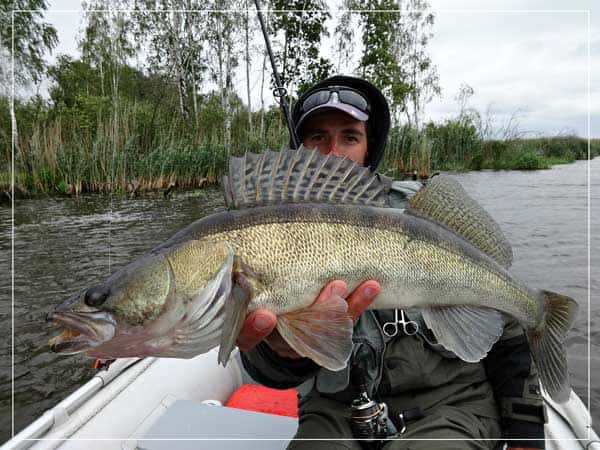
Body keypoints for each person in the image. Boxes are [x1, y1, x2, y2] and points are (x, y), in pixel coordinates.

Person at [236, 75, 546, 450]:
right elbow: (272, 375)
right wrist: (282, 350)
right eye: (317, 136)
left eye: (350, 136)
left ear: (370, 146)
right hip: (337, 411)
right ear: (299, 147)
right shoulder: (265, 231)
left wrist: (525, 431)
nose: (333, 152)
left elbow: (507, 325)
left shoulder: (423, 214)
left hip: (448, 404)